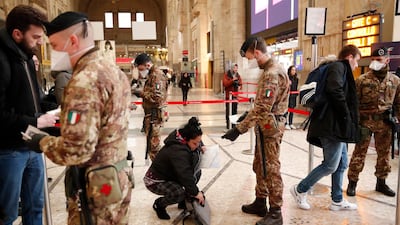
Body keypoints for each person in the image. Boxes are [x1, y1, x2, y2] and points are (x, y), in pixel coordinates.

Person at [26, 11, 133, 224]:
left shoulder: (84, 80)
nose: (54, 52)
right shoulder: (113, 70)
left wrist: (41, 141)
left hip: (96, 190)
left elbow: (76, 151)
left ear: (73, 41)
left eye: (55, 46)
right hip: (118, 178)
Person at [0, 5, 58, 225]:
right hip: (9, 149)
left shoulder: (26, 57)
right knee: (7, 212)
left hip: (32, 143)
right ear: (17, 34)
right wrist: (35, 121)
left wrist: (56, 107)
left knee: (35, 206)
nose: (40, 42)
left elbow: (34, 99)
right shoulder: (3, 60)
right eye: (35, 37)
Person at [222, 36, 290, 225]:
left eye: (250, 58)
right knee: (260, 165)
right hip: (264, 126)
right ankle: (261, 202)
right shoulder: (268, 70)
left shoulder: (271, 73)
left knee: (271, 169)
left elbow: (263, 108)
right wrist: (246, 116)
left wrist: (239, 129)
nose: (250, 62)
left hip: (271, 128)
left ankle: (276, 212)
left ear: (257, 52)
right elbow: (261, 104)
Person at [290, 45, 361, 212]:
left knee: (342, 163)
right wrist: (345, 115)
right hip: (331, 125)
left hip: (334, 125)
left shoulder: (338, 68)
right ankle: (300, 189)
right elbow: (335, 90)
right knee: (330, 165)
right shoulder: (338, 67)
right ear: (350, 57)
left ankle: (337, 200)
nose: (357, 65)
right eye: (357, 61)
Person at [347, 47, 400, 197]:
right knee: (359, 153)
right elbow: (354, 103)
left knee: (384, 155)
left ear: (387, 60)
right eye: (373, 60)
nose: (375, 63)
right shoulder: (362, 80)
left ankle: (381, 183)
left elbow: (398, 103)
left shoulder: (395, 81)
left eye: (379, 60)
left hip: (385, 123)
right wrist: (354, 123)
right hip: (365, 122)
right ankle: (352, 183)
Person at [144, 116, 205, 220]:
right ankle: (159, 204)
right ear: (186, 140)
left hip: (170, 175)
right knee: (178, 193)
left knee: (196, 173)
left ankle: (183, 201)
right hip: (155, 181)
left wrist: (200, 145)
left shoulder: (182, 136)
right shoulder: (177, 151)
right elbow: (184, 174)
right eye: (195, 143)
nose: (197, 145)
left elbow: (194, 141)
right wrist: (196, 193)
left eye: (199, 142)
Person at [133, 53, 168, 161]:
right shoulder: (151, 75)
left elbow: (157, 98)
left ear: (147, 65)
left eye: (141, 69)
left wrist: (141, 93)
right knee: (152, 147)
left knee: (154, 148)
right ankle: (158, 172)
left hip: (155, 117)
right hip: (151, 116)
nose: (140, 71)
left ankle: (161, 172)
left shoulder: (156, 76)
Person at [223, 63, 243, 129]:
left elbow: (240, 82)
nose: (236, 69)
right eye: (234, 68)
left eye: (236, 68)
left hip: (235, 96)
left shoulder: (238, 75)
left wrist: (239, 84)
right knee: (229, 110)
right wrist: (232, 80)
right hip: (229, 97)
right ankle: (228, 124)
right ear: (231, 68)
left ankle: (233, 124)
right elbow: (225, 84)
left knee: (234, 110)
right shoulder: (227, 75)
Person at [285, 65, 298, 130]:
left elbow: (295, 87)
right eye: (292, 70)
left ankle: (290, 123)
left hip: (293, 97)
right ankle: (286, 123)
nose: (294, 71)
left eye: (295, 70)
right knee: (286, 110)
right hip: (288, 96)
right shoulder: (287, 78)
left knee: (292, 110)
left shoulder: (296, 79)